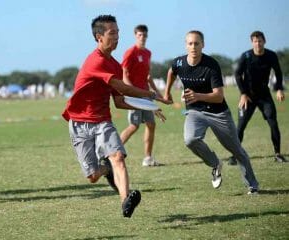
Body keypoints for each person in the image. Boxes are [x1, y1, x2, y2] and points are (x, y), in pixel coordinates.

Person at [62, 15, 168, 217]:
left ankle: (125, 201)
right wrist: (151, 95)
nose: (117, 37)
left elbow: (119, 102)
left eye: (118, 32)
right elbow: (122, 88)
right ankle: (106, 169)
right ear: (99, 37)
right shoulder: (95, 61)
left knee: (118, 156)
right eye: (112, 33)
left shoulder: (115, 65)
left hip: (102, 120)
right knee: (93, 175)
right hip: (80, 123)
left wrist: (149, 106)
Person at [163, 30, 259, 194]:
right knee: (190, 140)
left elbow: (219, 96)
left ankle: (252, 185)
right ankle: (215, 163)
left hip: (218, 112)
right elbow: (172, 71)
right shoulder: (179, 63)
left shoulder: (211, 65)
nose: (193, 47)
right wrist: (167, 92)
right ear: (186, 45)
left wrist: (196, 95)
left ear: (203, 45)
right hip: (195, 112)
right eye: (190, 43)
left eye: (197, 43)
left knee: (236, 150)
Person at [228, 31, 287, 165]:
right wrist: (243, 93)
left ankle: (278, 154)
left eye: (260, 41)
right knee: (241, 126)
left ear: (264, 42)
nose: (258, 43)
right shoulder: (246, 56)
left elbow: (278, 72)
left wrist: (279, 88)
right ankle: (234, 156)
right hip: (247, 96)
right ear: (252, 42)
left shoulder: (271, 55)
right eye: (255, 41)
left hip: (264, 96)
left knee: (273, 122)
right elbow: (237, 75)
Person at [120, 24, 163, 167]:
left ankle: (148, 158)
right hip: (134, 95)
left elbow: (148, 76)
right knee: (134, 125)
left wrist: (158, 93)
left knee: (151, 124)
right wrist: (132, 91)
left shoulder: (147, 53)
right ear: (135, 35)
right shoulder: (130, 52)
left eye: (144, 35)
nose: (142, 37)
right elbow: (124, 74)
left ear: (147, 36)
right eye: (139, 35)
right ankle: (110, 152)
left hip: (145, 95)